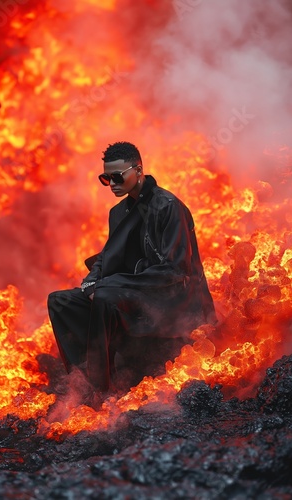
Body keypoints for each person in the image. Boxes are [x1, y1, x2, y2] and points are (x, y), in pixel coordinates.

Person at [47, 141, 216, 395]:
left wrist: (109, 285)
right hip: (133, 292)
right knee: (60, 301)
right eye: (105, 179)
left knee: (104, 295)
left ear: (138, 171)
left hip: (173, 299)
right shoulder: (118, 212)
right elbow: (107, 256)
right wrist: (91, 281)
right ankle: (82, 378)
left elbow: (175, 270)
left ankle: (101, 390)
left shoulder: (168, 207)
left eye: (117, 177)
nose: (112, 184)